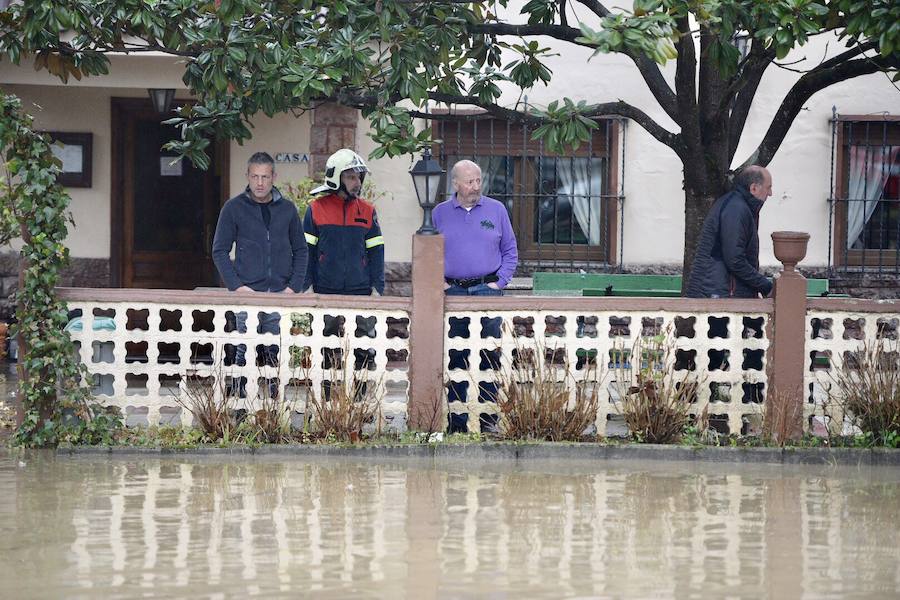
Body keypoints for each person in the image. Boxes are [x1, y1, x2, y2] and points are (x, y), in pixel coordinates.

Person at [212, 152, 307, 392]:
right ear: (248, 176)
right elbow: (220, 251)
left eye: (265, 176)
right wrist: (237, 286)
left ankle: (275, 405)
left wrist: (293, 287)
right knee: (244, 349)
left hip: (279, 293)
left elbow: (301, 250)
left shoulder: (287, 209)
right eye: (255, 176)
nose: (260, 182)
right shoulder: (233, 208)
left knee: (274, 351)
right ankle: (240, 404)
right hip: (247, 293)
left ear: (274, 176)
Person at [303, 149, 385, 295]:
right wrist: (306, 285)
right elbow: (306, 251)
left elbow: (376, 253)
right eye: (351, 177)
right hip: (323, 290)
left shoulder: (368, 210)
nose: (358, 183)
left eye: (359, 177)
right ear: (337, 179)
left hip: (361, 290)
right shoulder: (316, 209)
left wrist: (377, 288)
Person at [685, 165, 774, 299]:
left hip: (717, 290)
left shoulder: (735, 205)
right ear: (754, 188)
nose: (770, 193)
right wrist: (765, 286)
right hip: (721, 293)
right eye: (768, 187)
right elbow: (734, 259)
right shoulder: (736, 209)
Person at [432, 159, 518, 296]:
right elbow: (431, 254)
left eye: (478, 181)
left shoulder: (497, 209)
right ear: (455, 184)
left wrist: (500, 282)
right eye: (470, 182)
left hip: (488, 289)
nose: (476, 187)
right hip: (452, 291)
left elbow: (510, 249)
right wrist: (442, 284)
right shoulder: (439, 213)